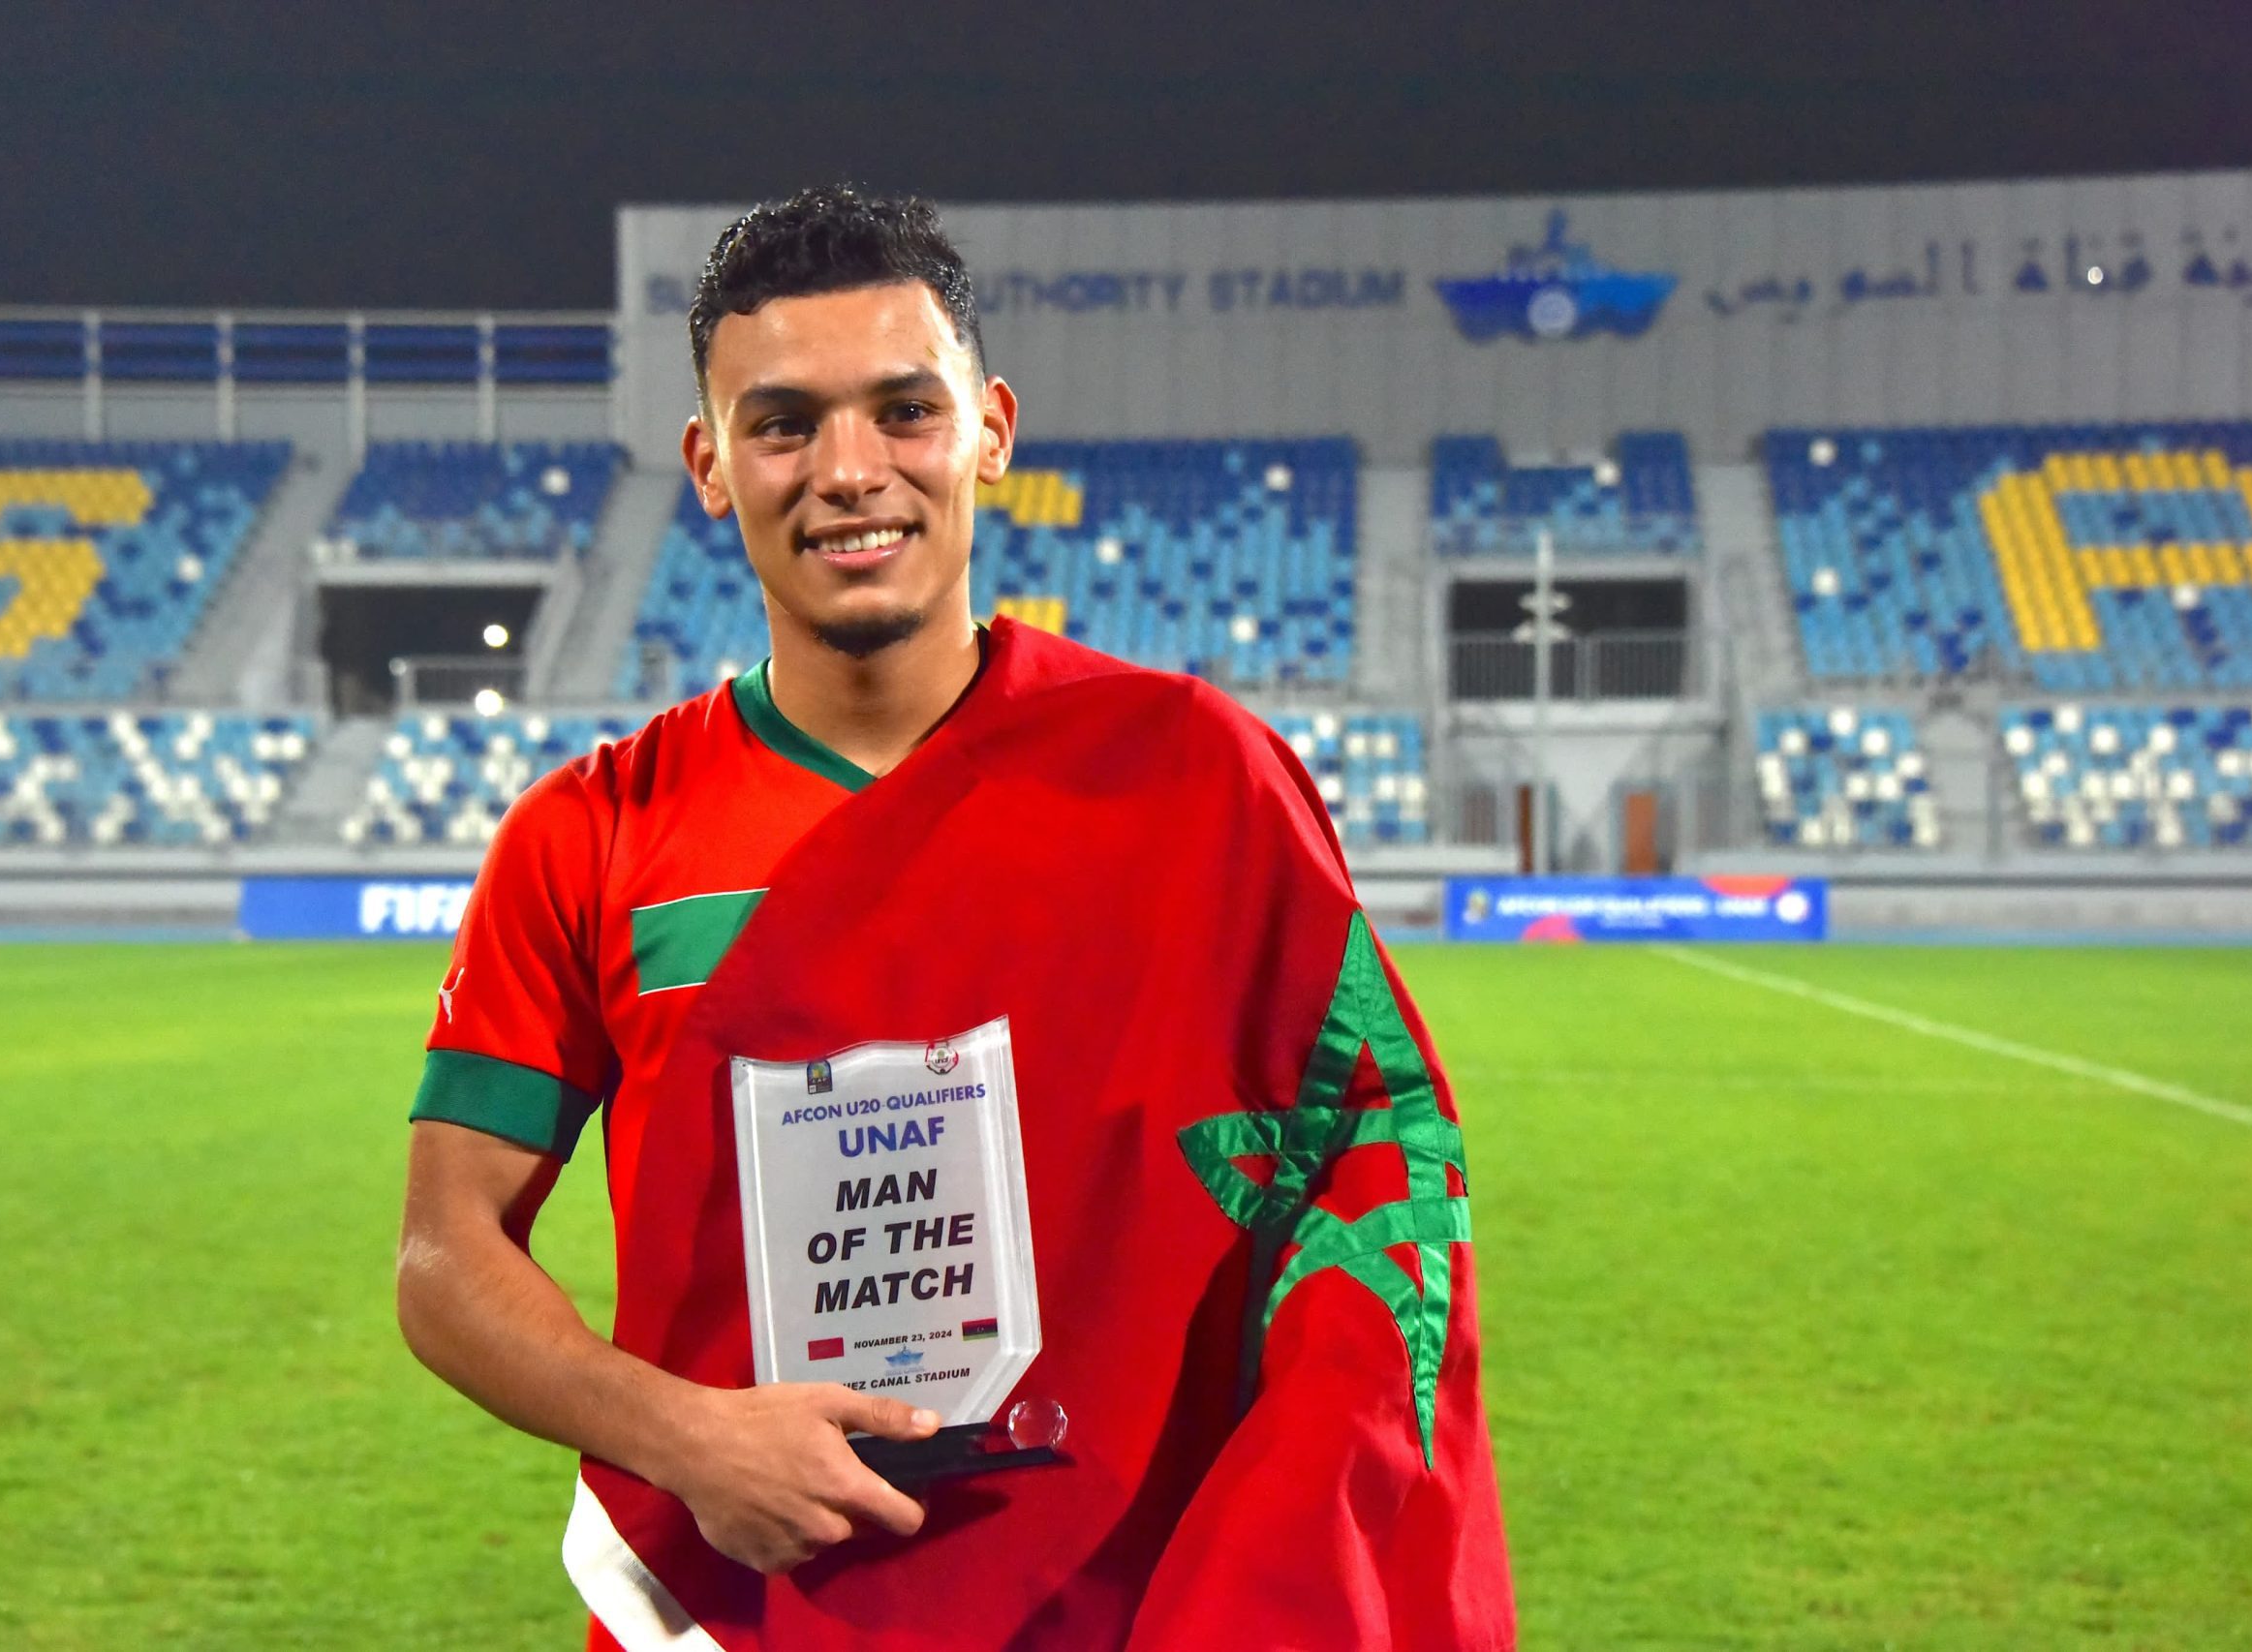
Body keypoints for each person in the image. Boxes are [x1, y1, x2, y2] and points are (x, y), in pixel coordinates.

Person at [396, 184, 1513, 1650]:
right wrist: (685, 1437)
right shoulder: (593, 831)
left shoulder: (1193, 779)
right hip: (747, 1604)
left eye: (904, 411)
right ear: (711, 465)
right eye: (783, 424)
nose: (850, 470)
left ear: (990, 427)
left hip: (1127, 1597)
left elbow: (1369, 1166)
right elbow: (445, 1255)